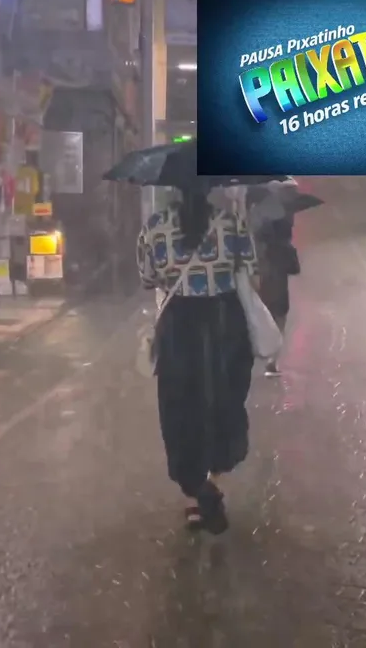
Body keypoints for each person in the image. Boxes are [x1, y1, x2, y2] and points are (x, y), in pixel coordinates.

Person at [137, 183, 257, 534]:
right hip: (224, 321)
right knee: (224, 402)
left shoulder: (155, 226)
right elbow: (249, 267)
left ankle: (194, 495)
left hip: (179, 325)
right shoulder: (231, 223)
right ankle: (212, 483)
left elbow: (148, 277)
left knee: (180, 406)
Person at [255, 215, 298, 377]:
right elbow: (295, 269)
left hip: (263, 290)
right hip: (280, 292)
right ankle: (271, 361)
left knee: (264, 322)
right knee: (279, 324)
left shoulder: (259, 248)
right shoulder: (285, 248)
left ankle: (263, 355)